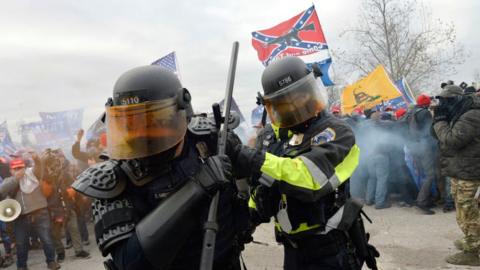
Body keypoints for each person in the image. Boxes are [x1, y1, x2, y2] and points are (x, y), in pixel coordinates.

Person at [72, 65, 250, 270]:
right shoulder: (112, 178)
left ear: (180, 113)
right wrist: (197, 187)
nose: (143, 135)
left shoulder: (208, 139)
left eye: (153, 123)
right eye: (132, 126)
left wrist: (247, 216)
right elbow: (129, 263)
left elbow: (251, 171)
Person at [227, 56, 378, 269]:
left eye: (299, 97)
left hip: (330, 248)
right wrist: (246, 220)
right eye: (284, 102)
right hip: (292, 248)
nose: (294, 105)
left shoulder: (337, 132)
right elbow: (260, 185)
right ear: (271, 106)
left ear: (312, 91)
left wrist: (249, 158)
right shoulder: (270, 137)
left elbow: (309, 178)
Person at [431, 84, 480, 266]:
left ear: (458, 99)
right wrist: (439, 119)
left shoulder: (472, 115)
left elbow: (452, 140)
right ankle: (471, 240)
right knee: (462, 211)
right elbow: (436, 135)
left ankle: (475, 252)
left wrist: (440, 122)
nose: (445, 104)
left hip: (470, 172)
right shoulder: (461, 112)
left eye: (447, 101)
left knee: (469, 211)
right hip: (461, 170)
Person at [0, 155, 60, 270]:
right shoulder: (9, 181)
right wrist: (16, 179)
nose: (19, 171)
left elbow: (39, 168)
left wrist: (37, 159)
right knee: (21, 244)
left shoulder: (33, 174)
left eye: (20, 168)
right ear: (11, 170)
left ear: (24, 167)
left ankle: (51, 261)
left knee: (46, 239)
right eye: (16, 169)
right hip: (21, 217)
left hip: (40, 213)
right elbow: (2, 190)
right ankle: (22, 266)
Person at [42, 149, 90, 262]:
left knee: (74, 229)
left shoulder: (65, 174)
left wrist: (72, 192)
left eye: (56, 161)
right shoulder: (44, 177)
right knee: (55, 234)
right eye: (52, 162)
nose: (55, 164)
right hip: (54, 209)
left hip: (67, 206)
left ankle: (79, 251)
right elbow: (44, 192)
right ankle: (60, 253)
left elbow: (74, 185)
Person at [406, 94, 437, 215]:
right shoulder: (424, 113)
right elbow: (430, 130)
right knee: (429, 174)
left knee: (422, 174)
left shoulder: (410, 112)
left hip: (413, 146)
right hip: (423, 146)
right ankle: (422, 201)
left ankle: (425, 198)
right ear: (426, 103)